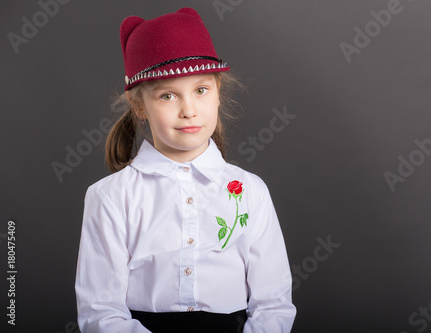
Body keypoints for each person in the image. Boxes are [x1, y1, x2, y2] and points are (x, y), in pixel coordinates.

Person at [75, 7, 296, 333]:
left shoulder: (250, 190)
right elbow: (100, 313)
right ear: (140, 107)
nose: (189, 110)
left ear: (218, 94)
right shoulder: (110, 197)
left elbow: (273, 304)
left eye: (201, 90)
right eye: (167, 95)